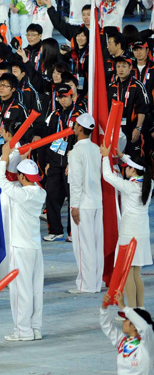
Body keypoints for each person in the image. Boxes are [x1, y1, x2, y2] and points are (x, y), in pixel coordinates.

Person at [0, 146, 46, 343]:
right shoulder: (40, 193)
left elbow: (1, 181)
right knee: (34, 289)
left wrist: (4, 160)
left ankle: (22, 330)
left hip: (20, 247)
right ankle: (35, 327)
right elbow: (18, 184)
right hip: (35, 247)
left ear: (23, 177)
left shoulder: (23, 195)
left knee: (20, 290)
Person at [100, 145, 153, 309]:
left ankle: (131, 311)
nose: (124, 171)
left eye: (127, 168)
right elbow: (137, 167)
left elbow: (107, 175)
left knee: (127, 273)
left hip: (129, 233)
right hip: (142, 232)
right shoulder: (149, 183)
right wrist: (123, 156)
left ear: (133, 171)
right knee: (136, 273)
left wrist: (105, 157)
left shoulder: (129, 187)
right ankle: (140, 309)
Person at [100, 293, 154, 375]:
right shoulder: (123, 342)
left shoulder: (147, 345)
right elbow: (107, 327)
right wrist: (104, 308)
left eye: (126, 319)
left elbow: (145, 328)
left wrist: (125, 307)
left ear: (134, 325)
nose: (123, 321)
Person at [66, 113, 104, 294]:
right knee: (96, 245)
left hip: (83, 203)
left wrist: (74, 206)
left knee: (83, 246)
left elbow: (75, 181)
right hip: (97, 202)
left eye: (75, 124)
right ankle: (96, 282)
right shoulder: (96, 148)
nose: (73, 127)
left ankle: (86, 285)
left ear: (80, 128)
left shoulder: (76, 152)